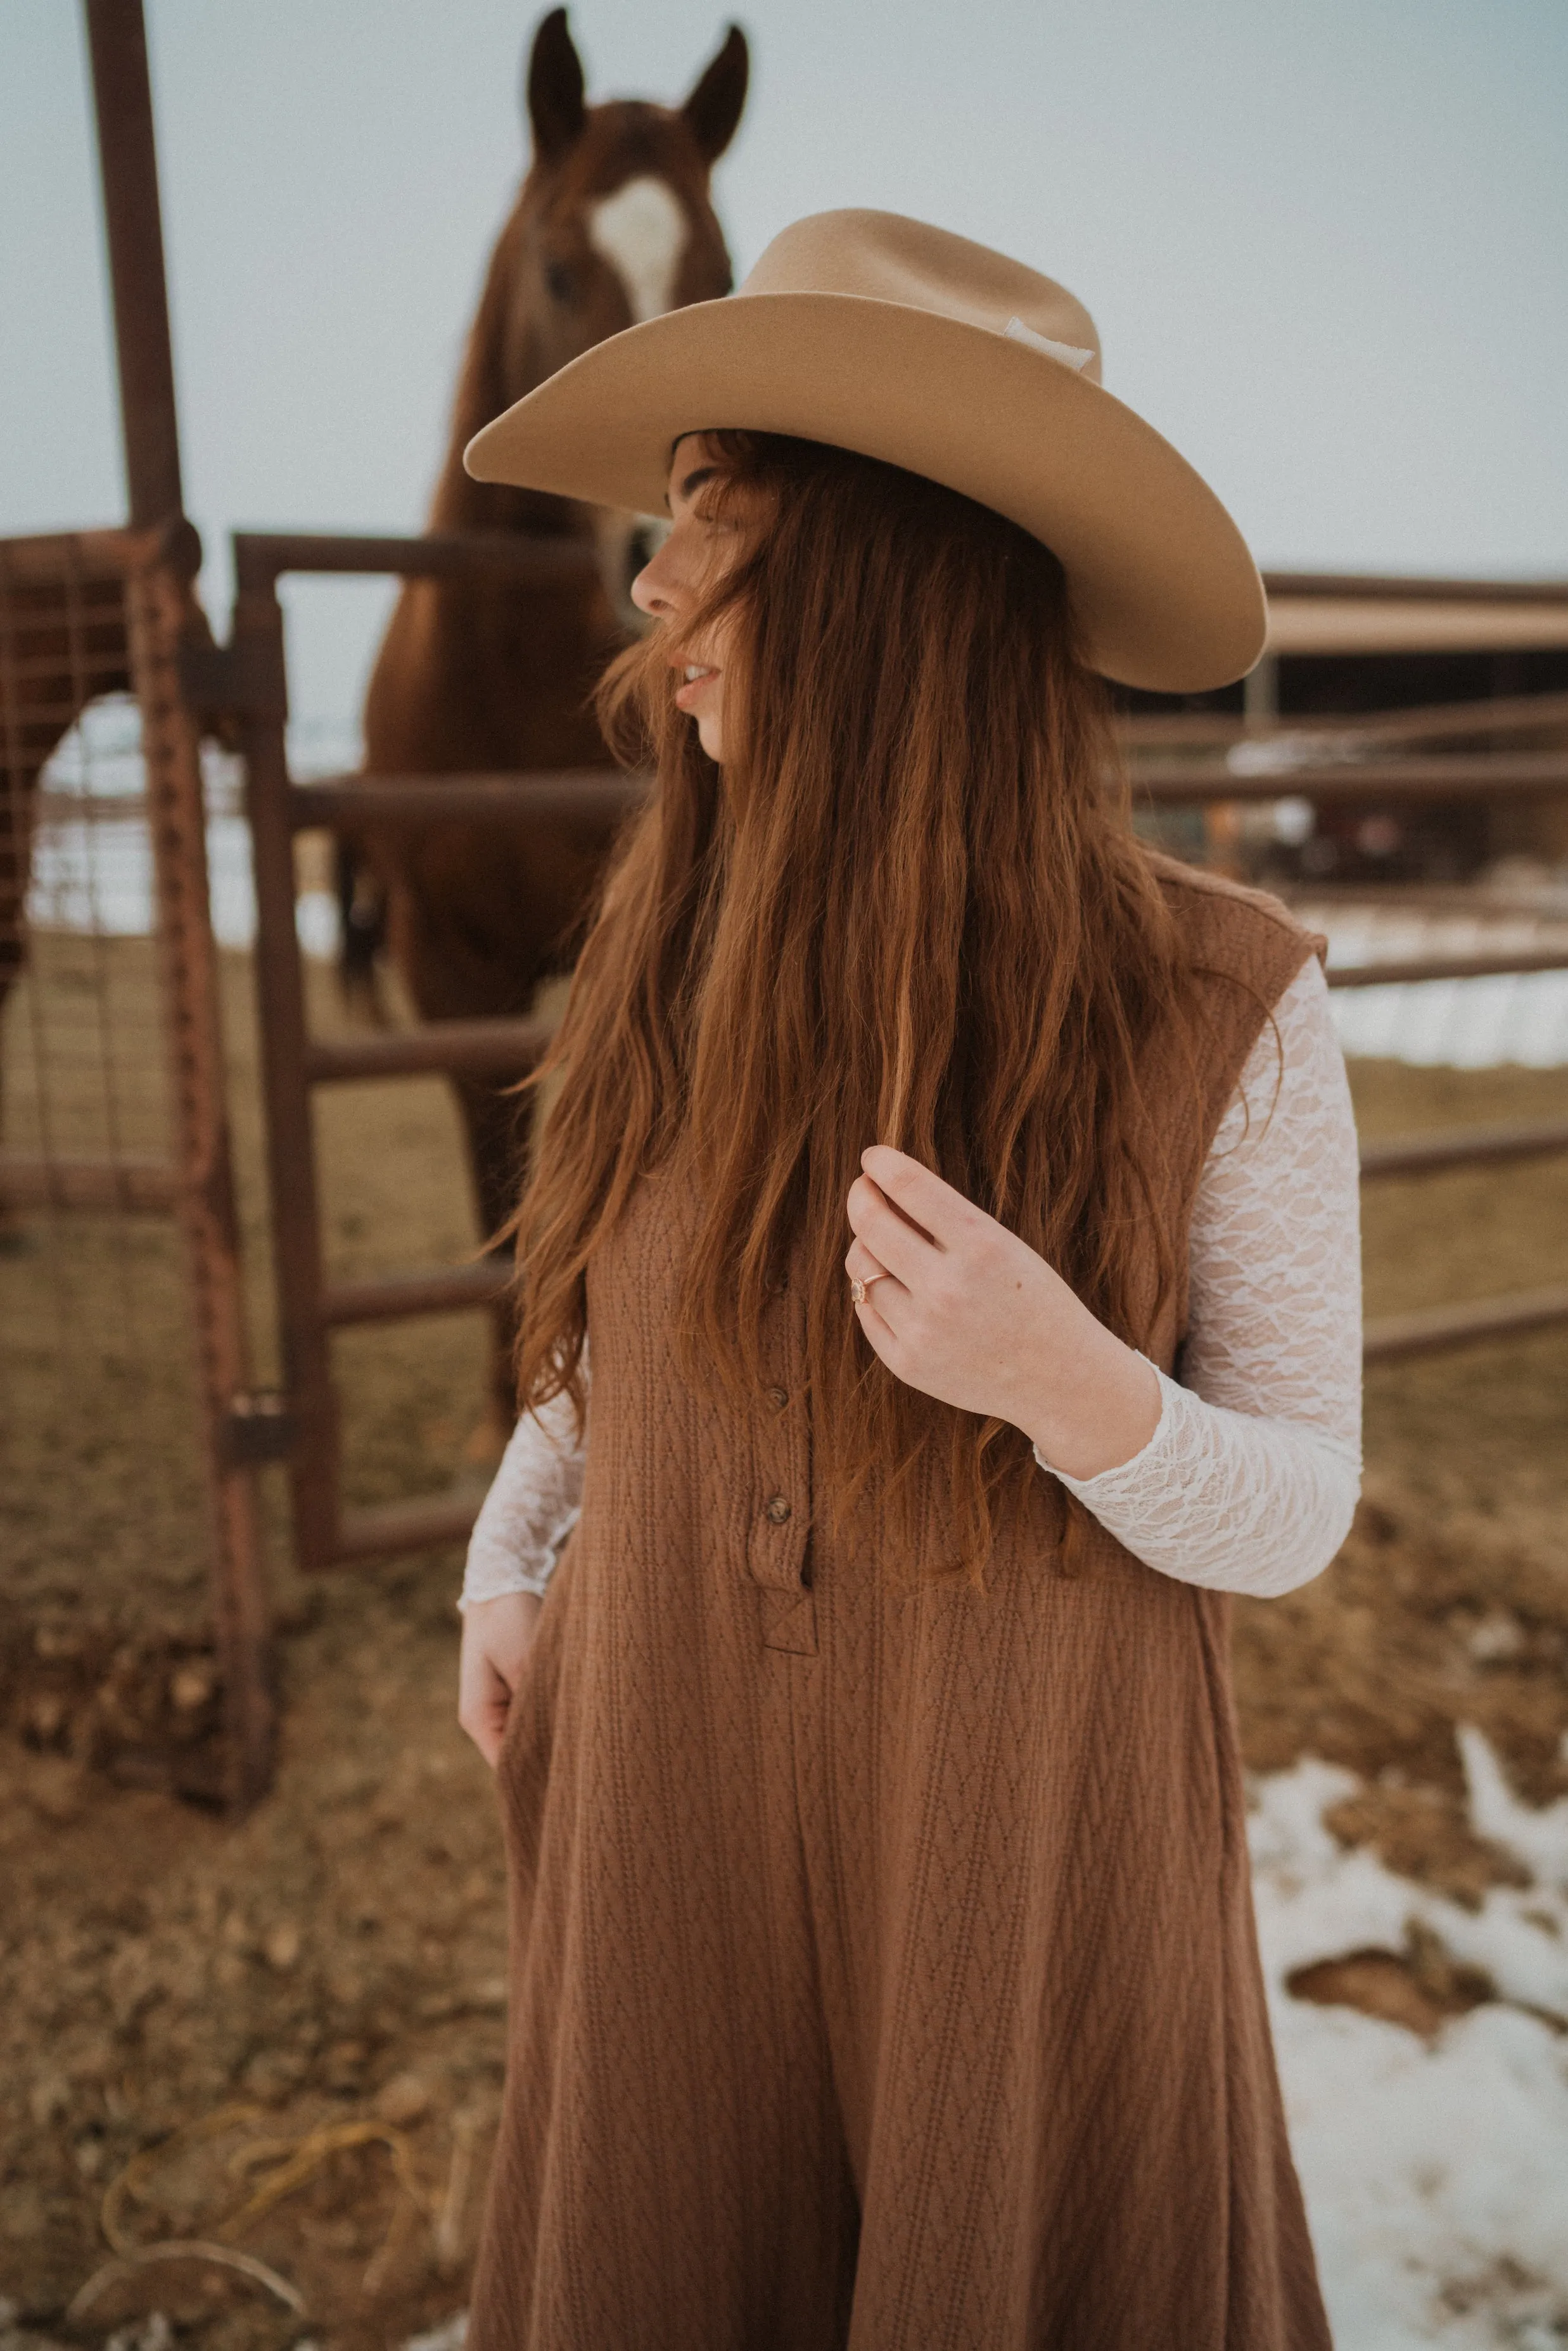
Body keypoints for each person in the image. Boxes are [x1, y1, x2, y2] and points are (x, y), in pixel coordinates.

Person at [454, 211, 1358, 2350]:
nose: (652, 594)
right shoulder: (667, 938)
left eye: (706, 531)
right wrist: (515, 1549)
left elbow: (1304, 1497)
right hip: (672, 1786)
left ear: (882, 573)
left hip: (1018, 1845)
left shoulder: (1224, 1002)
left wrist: (1071, 1381)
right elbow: (608, 1355)